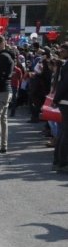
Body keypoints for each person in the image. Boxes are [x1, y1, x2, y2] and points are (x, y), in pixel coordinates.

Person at [51, 43, 68, 172]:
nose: (61, 53)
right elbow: (64, 84)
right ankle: (62, 162)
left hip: (63, 101)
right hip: (65, 102)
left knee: (63, 132)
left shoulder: (65, 65)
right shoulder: (66, 66)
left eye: (63, 51)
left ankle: (58, 161)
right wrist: (56, 99)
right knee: (65, 133)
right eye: (61, 50)